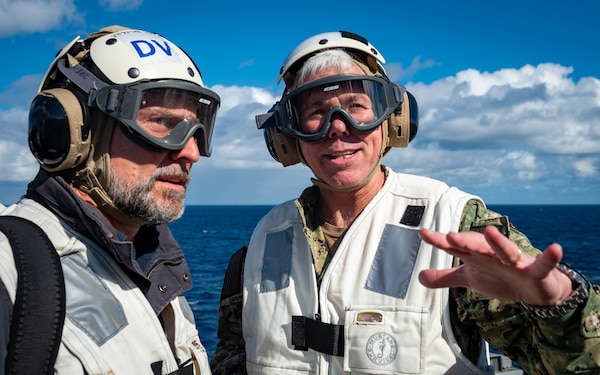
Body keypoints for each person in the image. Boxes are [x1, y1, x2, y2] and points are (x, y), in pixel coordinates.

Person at [211, 31, 600, 375]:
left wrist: (562, 305)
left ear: (393, 121)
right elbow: (231, 361)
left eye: (357, 106)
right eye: (315, 113)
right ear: (287, 136)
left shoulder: (455, 225)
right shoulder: (260, 245)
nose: (339, 125)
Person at [0, 25, 220, 374]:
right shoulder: (10, 268)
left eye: (197, 129)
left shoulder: (153, 266)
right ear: (76, 131)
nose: (191, 152)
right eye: (161, 122)